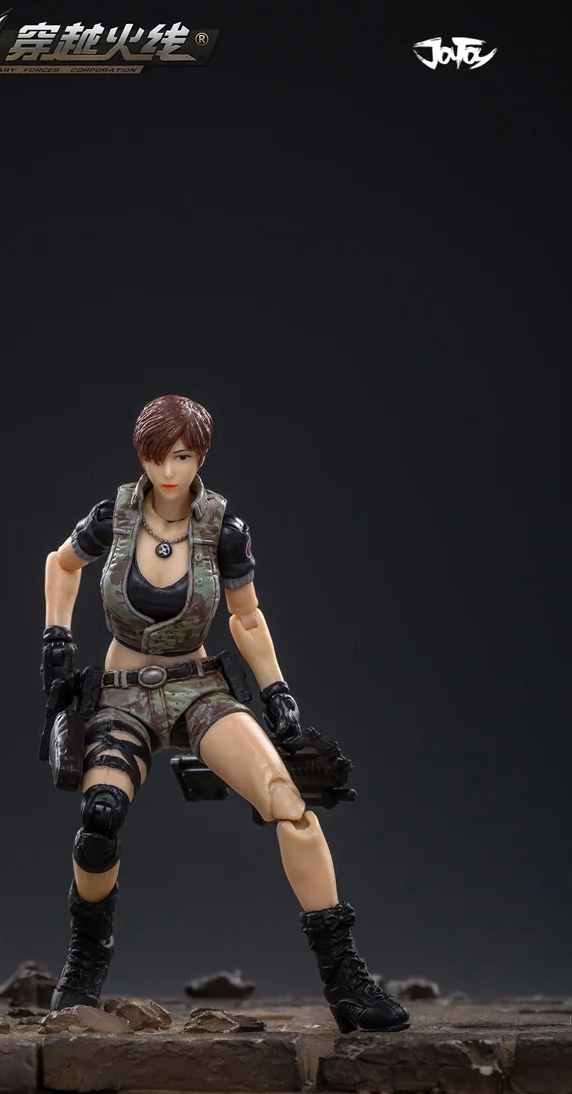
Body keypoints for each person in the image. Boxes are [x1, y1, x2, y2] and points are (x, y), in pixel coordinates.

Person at [41, 394, 409, 1033]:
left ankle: (345, 977)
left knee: (288, 802)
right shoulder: (113, 519)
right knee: (99, 818)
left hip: (200, 690)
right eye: (156, 457)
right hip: (123, 696)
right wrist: (56, 638)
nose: (168, 471)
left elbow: (247, 616)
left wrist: (277, 690)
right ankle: (85, 958)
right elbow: (60, 564)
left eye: (181, 456)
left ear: (201, 456)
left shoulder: (223, 530)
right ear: (141, 457)